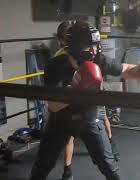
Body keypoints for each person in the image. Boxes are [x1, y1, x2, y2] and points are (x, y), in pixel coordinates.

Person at [30, 21, 140, 180]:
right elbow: (53, 105)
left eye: (96, 45)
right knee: (41, 167)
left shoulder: (98, 60)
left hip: (89, 116)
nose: (94, 50)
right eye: (89, 46)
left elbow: (125, 69)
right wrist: (76, 87)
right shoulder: (55, 66)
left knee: (109, 166)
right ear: (75, 47)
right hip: (61, 119)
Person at [54, 20, 119, 180]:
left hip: (92, 98)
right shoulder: (58, 60)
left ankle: (111, 145)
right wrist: (75, 87)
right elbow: (55, 96)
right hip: (70, 102)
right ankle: (67, 171)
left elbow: (100, 72)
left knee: (102, 118)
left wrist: (98, 87)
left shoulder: (92, 54)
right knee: (68, 137)